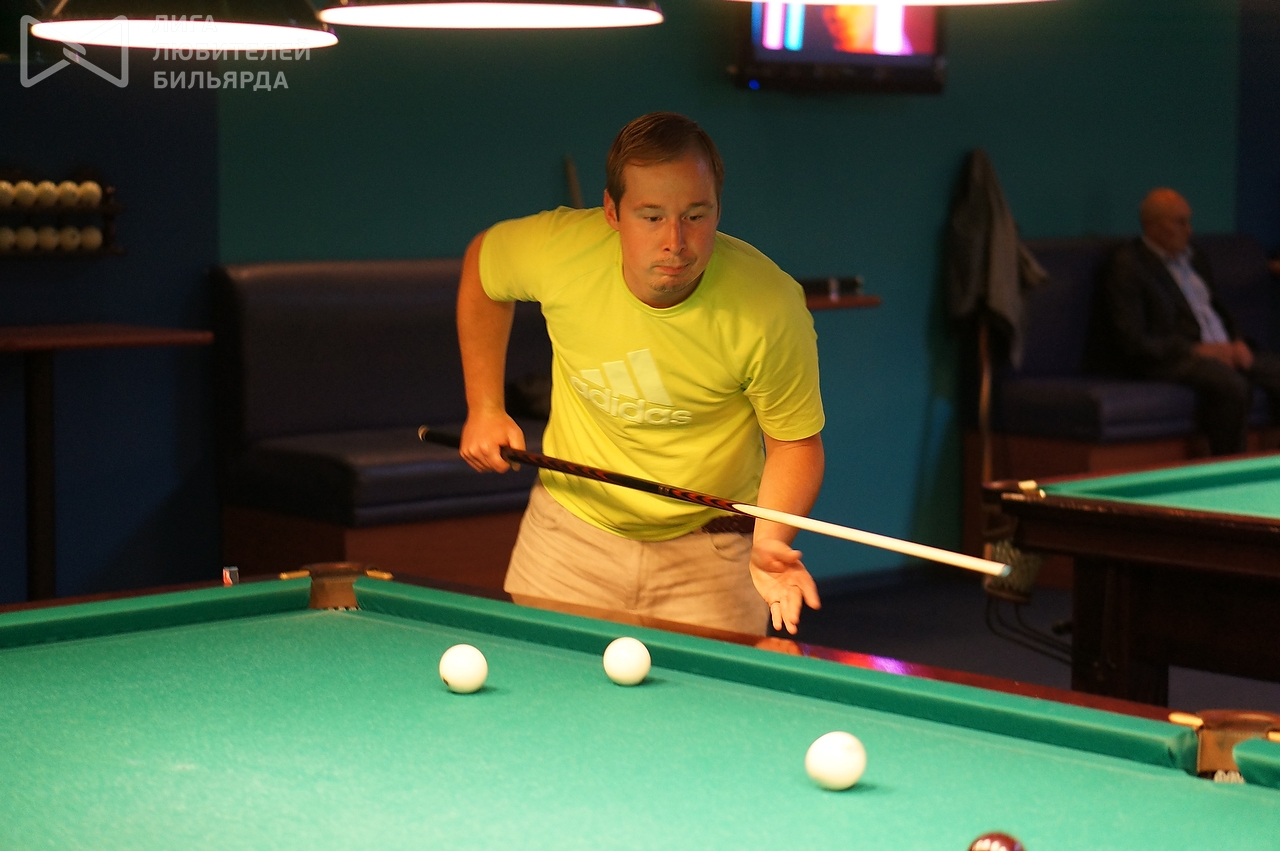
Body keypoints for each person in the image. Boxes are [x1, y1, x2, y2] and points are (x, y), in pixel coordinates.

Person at [455, 112, 825, 636]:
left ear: (718, 209)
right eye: (651, 216)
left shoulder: (770, 307)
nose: (676, 241)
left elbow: (794, 444)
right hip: (568, 536)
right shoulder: (561, 251)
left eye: (695, 215)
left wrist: (771, 539)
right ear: (612, 211)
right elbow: (482, 264)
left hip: (710, 551)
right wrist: (485, 408)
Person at [1090, 188, 1280, 455]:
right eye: (1180, 222)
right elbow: (1132, 339)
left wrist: (1236, 341)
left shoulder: (1195, 257)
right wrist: (1197, 350)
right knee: (1231, 386)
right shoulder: (1128, 266)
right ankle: (1227, 467)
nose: (1189, 230)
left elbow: (1215, 309)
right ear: (1153, 227)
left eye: (1188, 221)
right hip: (1173, 357)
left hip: (1222, 347)